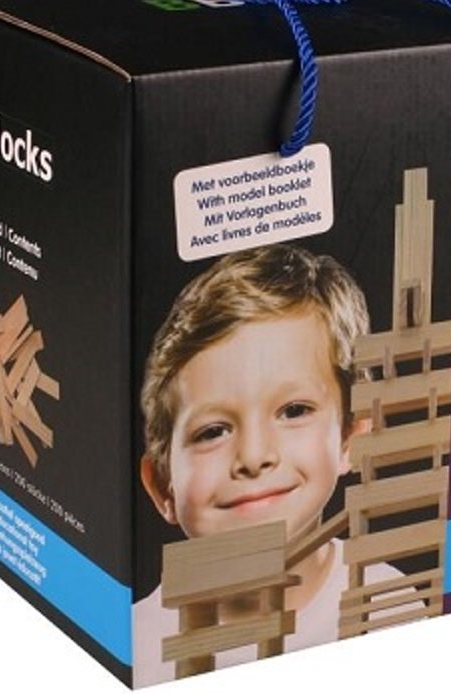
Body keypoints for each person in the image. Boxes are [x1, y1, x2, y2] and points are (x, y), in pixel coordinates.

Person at [133, 243, 399, 684]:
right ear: (163, 486)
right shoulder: (138, 652)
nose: (254, 457)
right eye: (212, 432)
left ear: (352, 437)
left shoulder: (387, 604)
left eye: (294, 411)